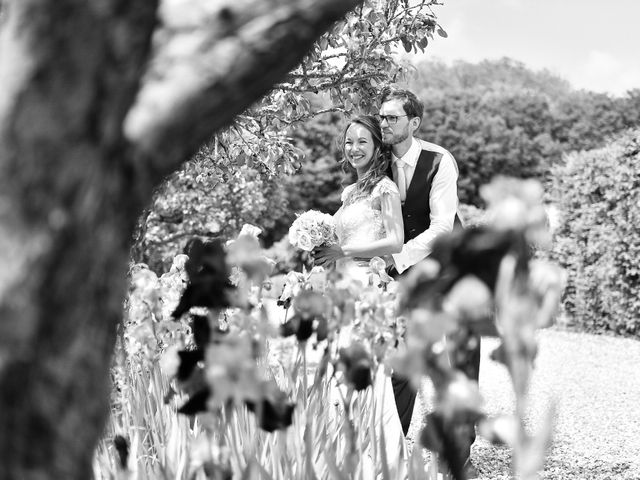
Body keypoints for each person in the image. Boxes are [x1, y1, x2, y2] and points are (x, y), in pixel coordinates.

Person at [378, 86, 480, 479]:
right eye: (382, 117)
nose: (384, 123)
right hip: (404, 278)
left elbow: (441, 227)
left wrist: (395, 259)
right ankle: (390, 450)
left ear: (413, 122)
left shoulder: (440, 161)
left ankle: (459, 458)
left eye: (392, 118)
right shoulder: (377, 165)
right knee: (400, 361)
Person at [313, 115, 407, 478]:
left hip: (366, 292)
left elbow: (395, 241)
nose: (353, 148)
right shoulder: (349, 192)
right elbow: (340, 244)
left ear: (377, 147)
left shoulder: (384, 187)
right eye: (349, 141)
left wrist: (344, 252)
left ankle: (381, 465)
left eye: (362, 141)